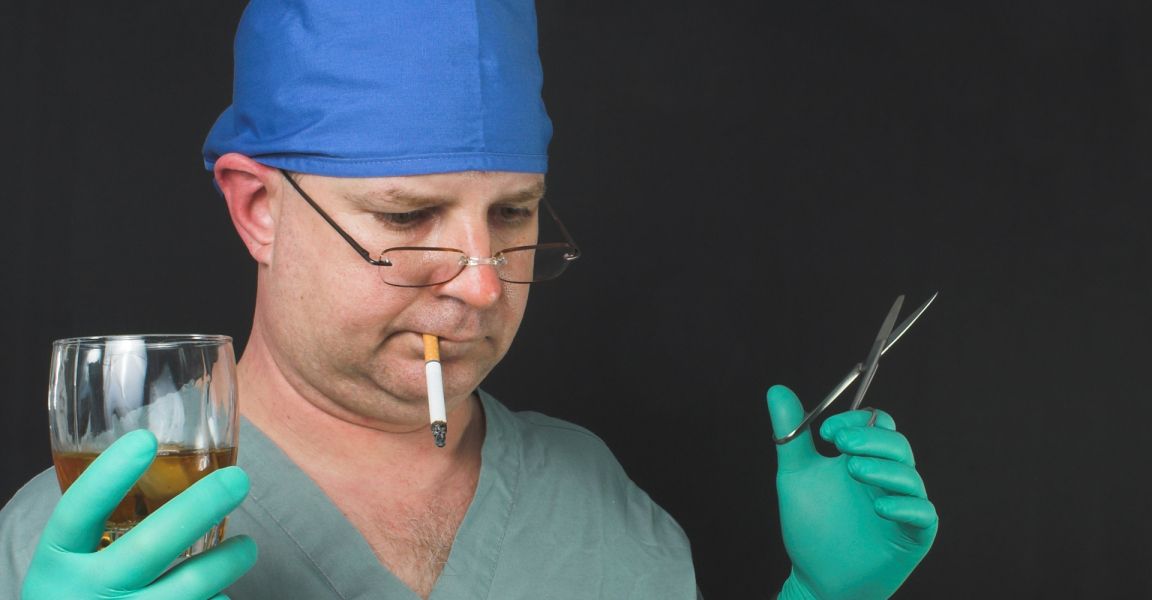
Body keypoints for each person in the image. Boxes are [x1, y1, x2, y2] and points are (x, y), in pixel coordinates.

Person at [0, 1, 938, 598]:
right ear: (259, 210)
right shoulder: (92, 532)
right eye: (408, 216)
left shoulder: (595, 505)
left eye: (514, 213)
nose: (484, 283)